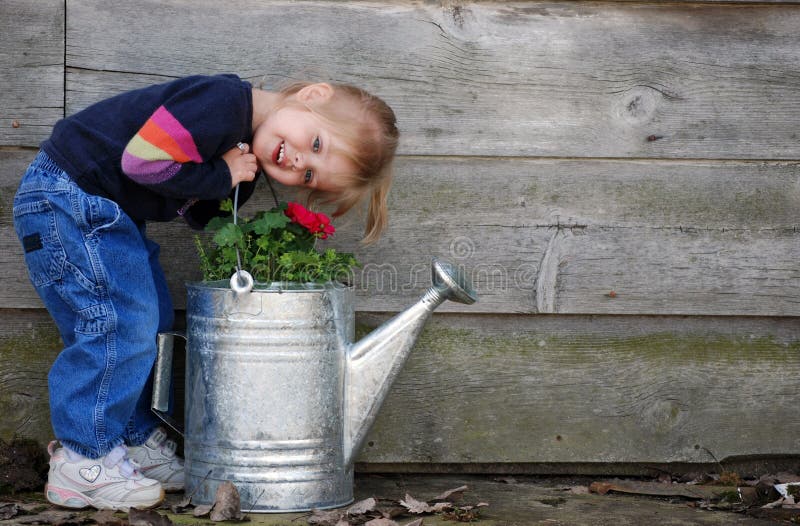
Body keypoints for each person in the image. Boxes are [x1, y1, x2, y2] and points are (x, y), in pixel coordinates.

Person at [13, 74, 399, 511]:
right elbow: (143, 162)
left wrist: (229, 182)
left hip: (103, 210)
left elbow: (197, 213)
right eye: (314, 143)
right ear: (312, 96)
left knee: (152, 318)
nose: (296, 162)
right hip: (70, 196)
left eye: (309, 174)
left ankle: (133, 439)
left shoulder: (242, 143)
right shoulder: (221, 104)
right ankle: (84, 457)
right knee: (118, 325)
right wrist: (221, 174)